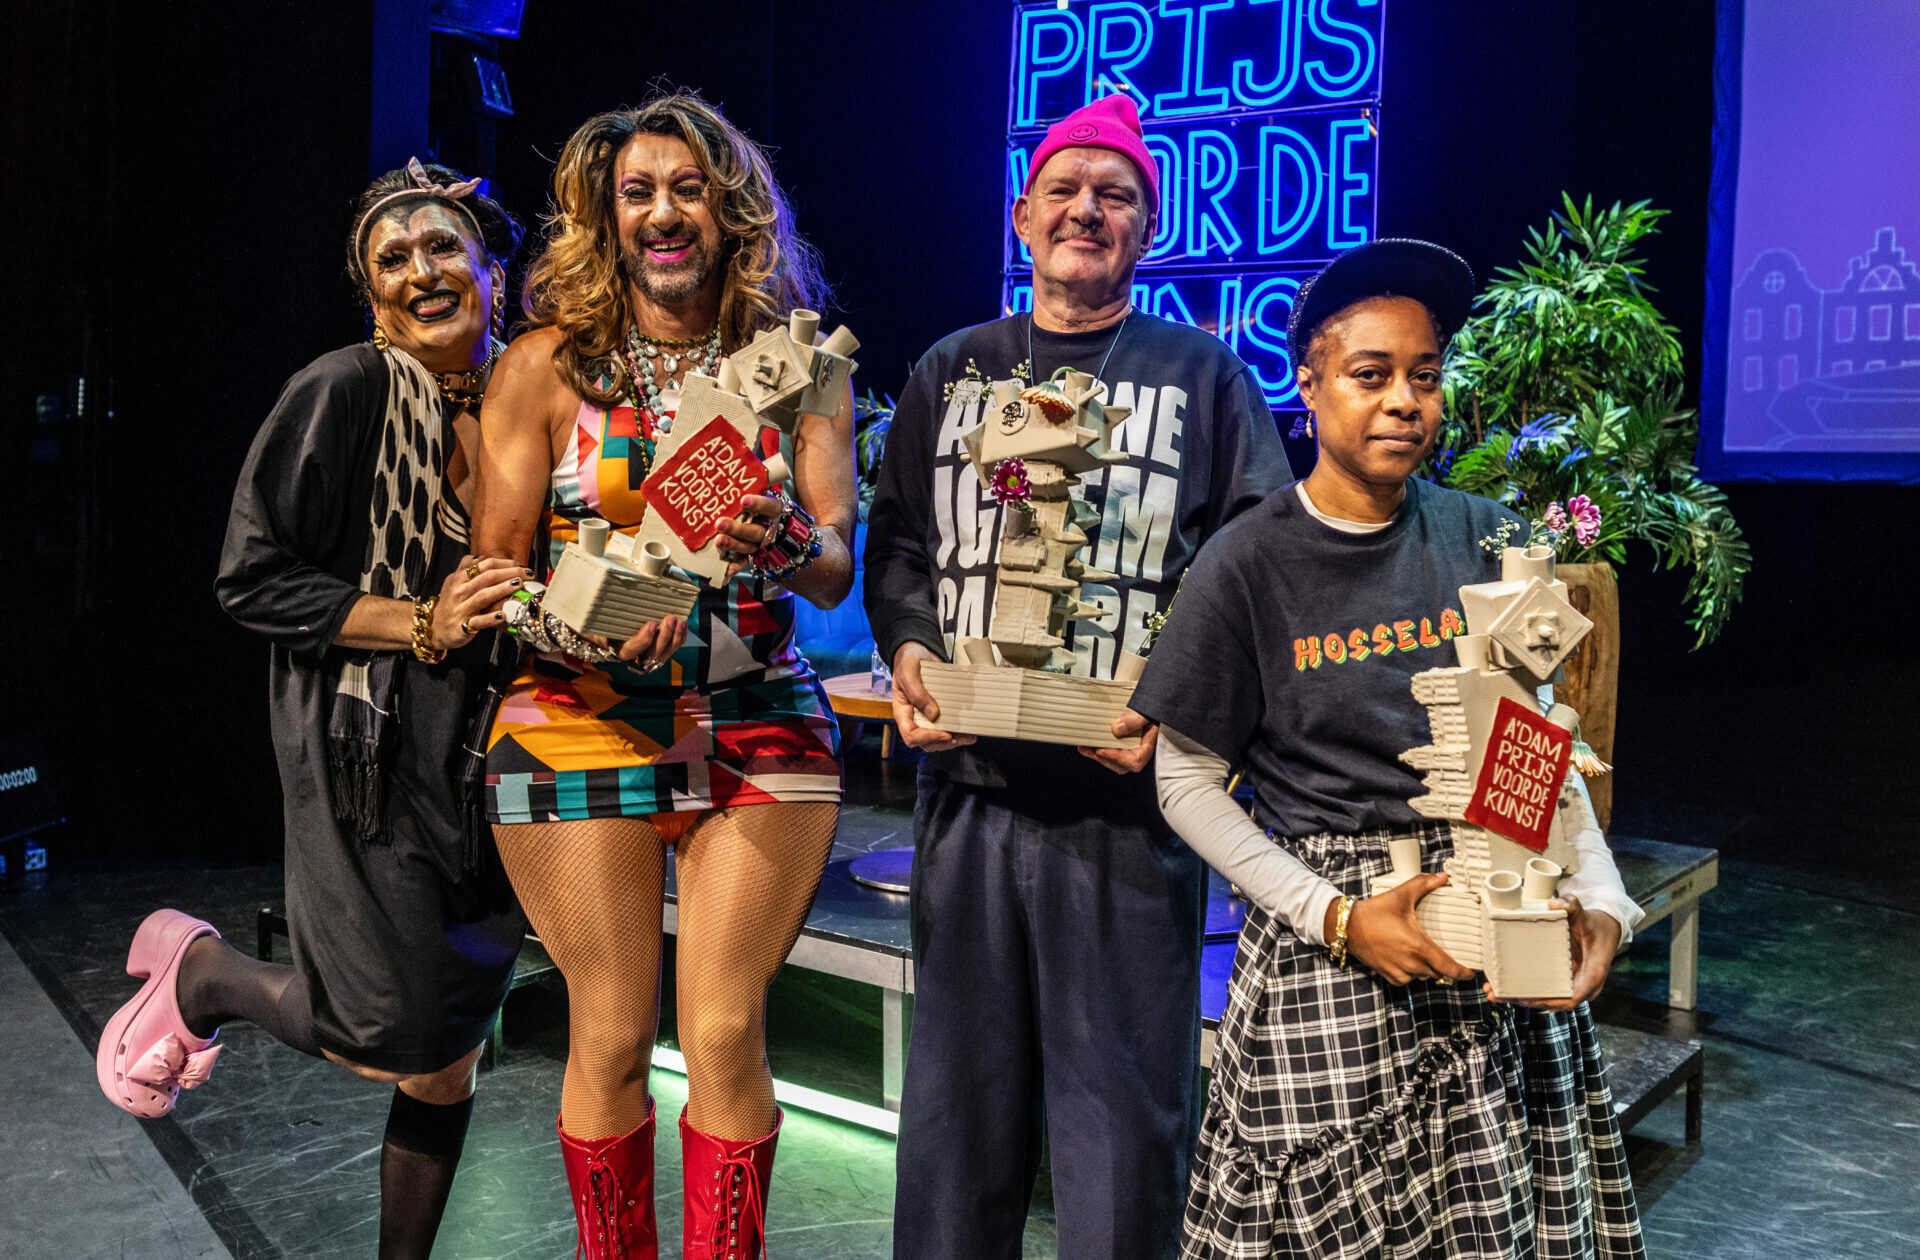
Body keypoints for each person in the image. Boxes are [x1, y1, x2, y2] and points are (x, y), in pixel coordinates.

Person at [1128, 237, 1647, 1258]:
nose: (1404, 400)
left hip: (1497, 926)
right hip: (1338, 942)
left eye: (1424, 376)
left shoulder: (1485, 538)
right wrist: (1335, 915)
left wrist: (1604, 899)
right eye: (1371, 376)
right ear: (1310, 386)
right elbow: (1182, 778)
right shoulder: (1247, 562)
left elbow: (1538, 746)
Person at [865, 94, 1292, 1258]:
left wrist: (1177, 698)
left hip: (1125, 814)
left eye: (1116, 196)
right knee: (956, 1131)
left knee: (1121, 1136)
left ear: (1148, 229)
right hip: (970, 797)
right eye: (1065, 189)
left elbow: (1254, 560)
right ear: (1022, 214)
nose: (1087, 211)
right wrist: (909, 651)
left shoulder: (1202, 376)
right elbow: (898, 538)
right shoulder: (953, 369)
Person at [95, 159, 530, 1259]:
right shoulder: (343, 389)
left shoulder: (537, 402)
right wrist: (419, 622)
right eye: (394, 259)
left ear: (490, 264)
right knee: (384, 1025)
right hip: (365, 740)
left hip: (497, 742)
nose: (424, 273)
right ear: (370, 293)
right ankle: (206, 976)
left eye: (444, 248)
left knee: (450, 1042)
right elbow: (251, 577)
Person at [471, 92, 855, 1260]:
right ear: (605, 216)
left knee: (729, 1032)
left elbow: (835, 570)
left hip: (756, 713)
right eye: (637, 192)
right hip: (576, 717)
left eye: (687, 187)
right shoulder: (542, 368)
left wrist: (779, 534)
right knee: (608, 1036)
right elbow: (492, 574)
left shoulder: (799, 364)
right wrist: (584, 630)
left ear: (730, 208)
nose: (662, 212)